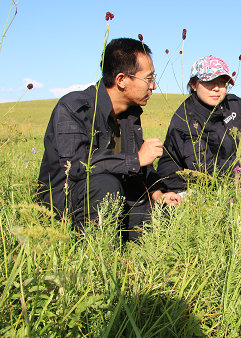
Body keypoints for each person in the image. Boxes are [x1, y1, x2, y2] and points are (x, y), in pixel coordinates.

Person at [37, 38, 181, 240]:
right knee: (105, 184)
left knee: (167, 216)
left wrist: (157, 192)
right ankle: (98, 255)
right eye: (148, 79)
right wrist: (136, 159)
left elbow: (141, 165)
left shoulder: (129, 115)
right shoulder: (74, 107)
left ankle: (117, 235)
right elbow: (77, 164)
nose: (153, 86)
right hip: (67, 203)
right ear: (121, 79)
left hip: (115, 201)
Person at [155, 55, 241, 193]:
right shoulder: (185, 120)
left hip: (224, 177)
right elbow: (204, 169)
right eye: (209, 82)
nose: (216, 88)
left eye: (222, 82)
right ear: (193, 85)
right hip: (184, 186)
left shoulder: (231, 104)